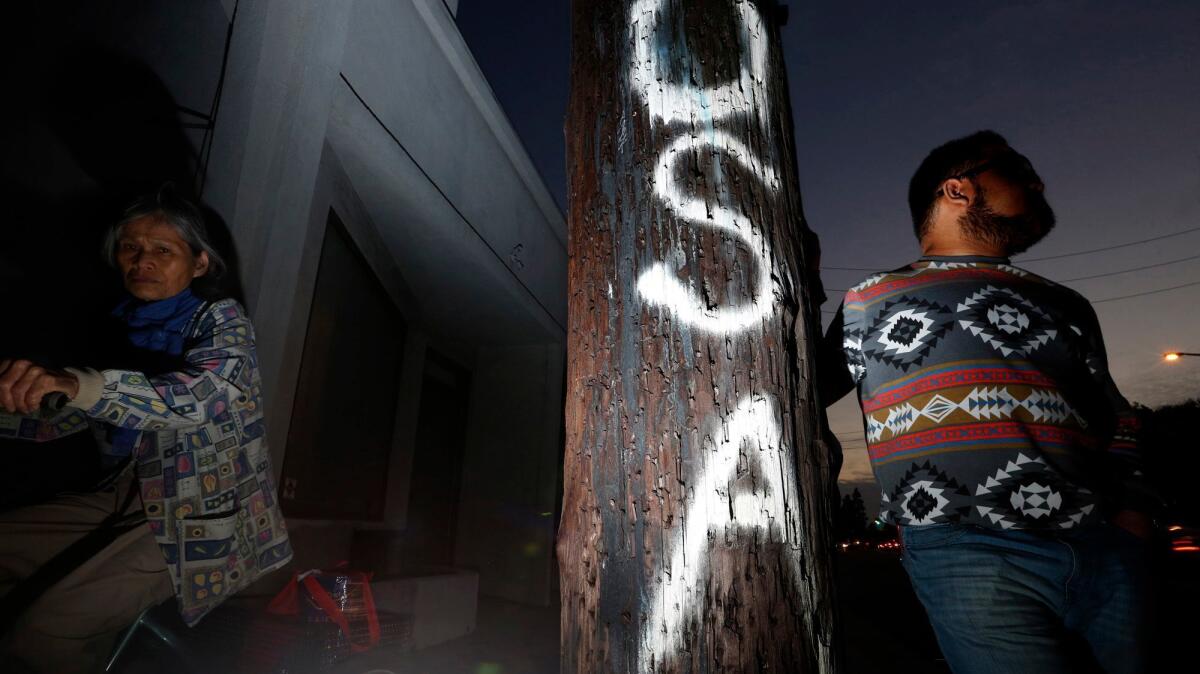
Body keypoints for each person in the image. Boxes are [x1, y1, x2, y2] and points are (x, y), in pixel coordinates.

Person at [820, 131, 1160, 674]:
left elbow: (1114, 414)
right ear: (958, 190)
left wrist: (1132, 515)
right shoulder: (871, 297)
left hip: (1103, 544)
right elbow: (803, 393)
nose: (1037, 181)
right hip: (966, 547)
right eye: (1016, 168)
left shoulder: (1067, 302)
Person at [0, 187, 293, 673]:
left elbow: (203, 395)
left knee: (48, 628)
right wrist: (24, 396)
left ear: (199, 264)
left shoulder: (221, 320)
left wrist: (77, 384)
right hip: (124, 494)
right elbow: (72, 415)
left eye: (163, 250)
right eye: (130, 247)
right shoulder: (120, 326)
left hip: (202, 511)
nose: (142, 260)